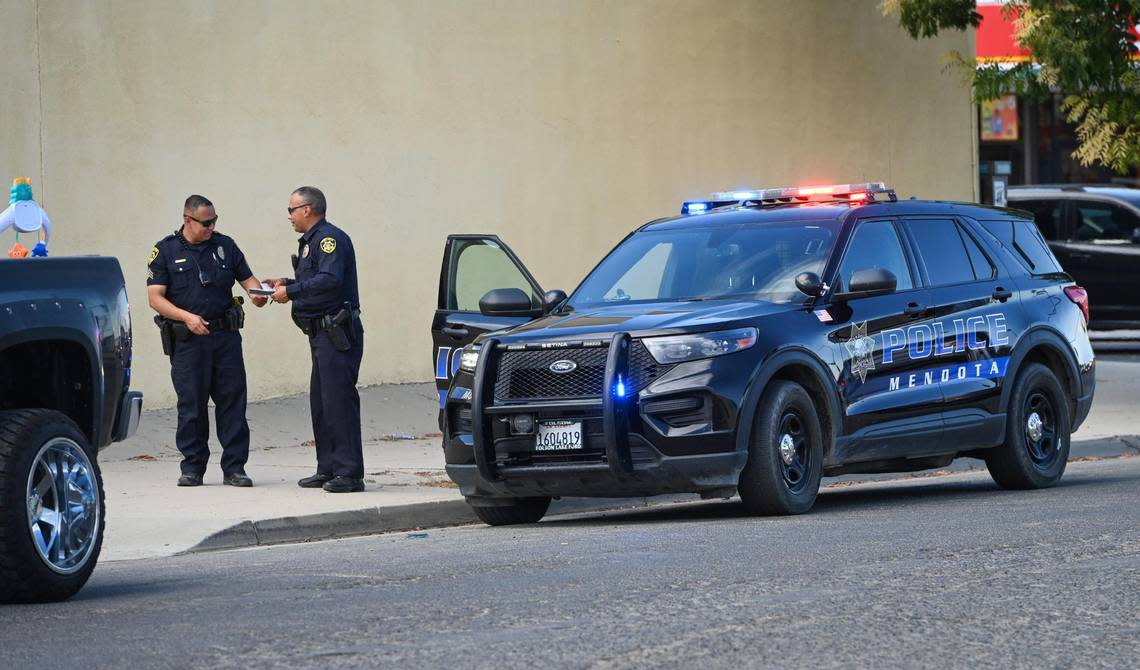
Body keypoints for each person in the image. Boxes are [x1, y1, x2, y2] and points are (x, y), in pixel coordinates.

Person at [147, 195, 268, 487]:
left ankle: (235, 468)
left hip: (225, 337)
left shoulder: (225, 246)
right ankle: (192, 468)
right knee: (192, 405)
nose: (211, 227)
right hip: (189, 342)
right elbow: (155, 298)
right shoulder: (165, 250)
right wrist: (186, 317)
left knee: (233, 403)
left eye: (214, 221)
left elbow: (249, 282)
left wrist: (260, 295)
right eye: (206, 222)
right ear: (188, 219)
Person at [266, 186, 365, 493]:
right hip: (319, 334)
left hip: (336, 333)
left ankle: (349, 473)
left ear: (307, 210)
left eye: (291, 210)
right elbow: (314, 280)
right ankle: (328, 468)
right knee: (322, 404)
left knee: (339, 403)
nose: (289, 216)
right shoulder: (312, 243)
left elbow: (330, 281)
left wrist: (291, 292)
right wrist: (286, 283)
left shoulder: (329, 239)